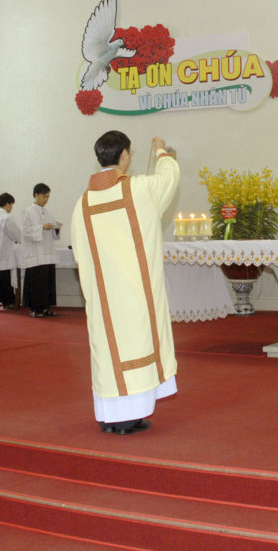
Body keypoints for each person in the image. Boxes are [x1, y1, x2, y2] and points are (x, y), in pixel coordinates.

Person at [71, 131, 180, 435]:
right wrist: (162, 153)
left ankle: (109, 416)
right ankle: (128, 418)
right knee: (137, 345)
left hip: (105, 297)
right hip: (135, 293)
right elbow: (169, 179)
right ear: (124, 155)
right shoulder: (137, 189)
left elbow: (79, 251)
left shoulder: (83, 202)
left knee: (108, 352)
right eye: (130, 153)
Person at [21, 182, 60, 318]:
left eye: (48, 197)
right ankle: (35, 308)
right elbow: (25, 232)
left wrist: (57, 228)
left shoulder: (48, 212)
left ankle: (45, 307)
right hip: (35, 253)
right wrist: (41, 228)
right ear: (36, 195)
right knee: (36, 282)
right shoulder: (27, 212)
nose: (46, 199)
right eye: (44, 196)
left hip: (48, 252)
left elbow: (54, 232)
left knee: (47, 281)